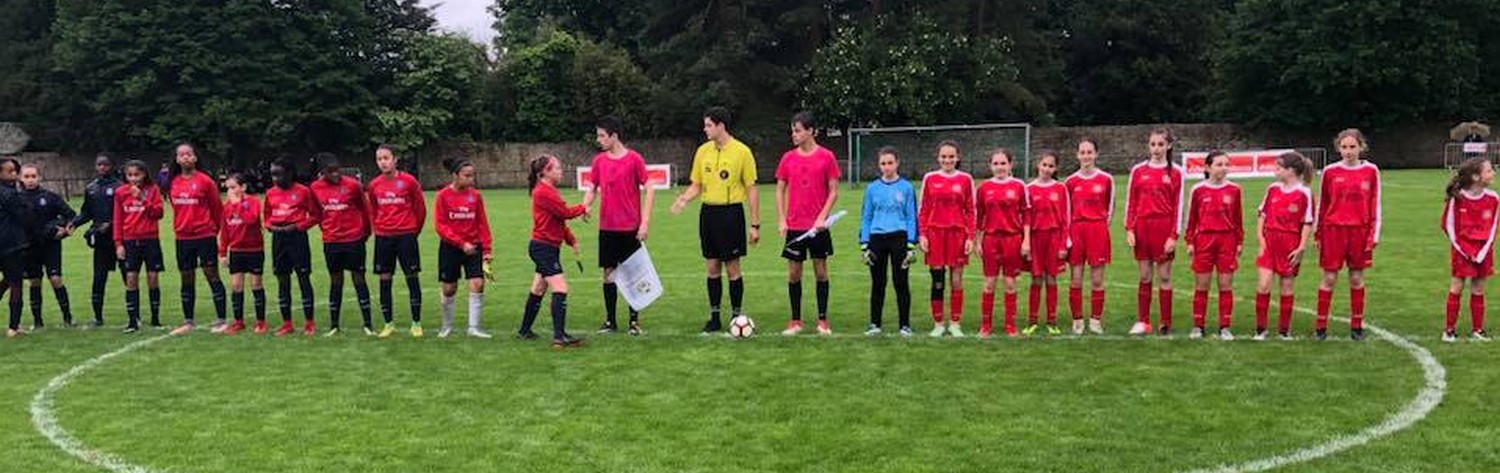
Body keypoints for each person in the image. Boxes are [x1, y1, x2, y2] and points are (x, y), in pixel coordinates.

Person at [670, 107, 761, 335]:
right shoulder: (703, 151)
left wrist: (755, 224)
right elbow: (697, 185)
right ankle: (714, 318)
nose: (705, 129)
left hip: (731, 214)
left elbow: (751, 188)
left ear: (721, 126)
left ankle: (736, 316)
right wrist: (684, 199)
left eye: (709, 125)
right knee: (712, 268)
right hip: (708, 214)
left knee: (732, 268)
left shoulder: (742, 152)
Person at [582, 116, 655, 336]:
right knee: (609, 274)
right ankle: (610, 321)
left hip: (630, 228)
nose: (598, 139)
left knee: (633, 274)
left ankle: (634, 322)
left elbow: (650, 187)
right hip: (607, 227)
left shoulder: (634, 159)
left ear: (614, 136)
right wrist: (586, 205)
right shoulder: (599, 161)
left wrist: (644, 223)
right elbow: (592, 188)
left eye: (602, 135)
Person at [775, 112, 841, 336]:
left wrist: (822, 217)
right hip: (795, 226)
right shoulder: (787, 158)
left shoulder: (827, 157)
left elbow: (834, 191)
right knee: (794, 273)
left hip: (818, 228)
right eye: (792, 131)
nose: (794, 134)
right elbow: (780, 189)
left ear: (811, 131)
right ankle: (795, 321)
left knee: (821, 272)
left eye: (798, 130)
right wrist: (782, 218)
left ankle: (822, 320)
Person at [1316, 129, 1382, 341]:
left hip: (1359, 231)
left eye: (1353, 147)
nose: (1348, 151)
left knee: (1356, 278)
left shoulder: (1371, 171)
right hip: (1333, 230)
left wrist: (1374, 234)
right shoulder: (1330, 171)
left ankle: (1357, 326)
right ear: (1338, 148)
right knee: (1329, 278)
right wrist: (1318, 233)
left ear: (1361, 147)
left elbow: (1375, 203)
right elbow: (1322, 204)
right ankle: (1320, 326)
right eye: (1344, 147)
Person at [518, 154, 587, 347]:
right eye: (557, 168)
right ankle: (559, 337)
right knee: (561, 288)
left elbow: (558, 220)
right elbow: (565, 213)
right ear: (545, 172)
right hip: (544, 248)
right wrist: (584, 207)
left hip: (546, 247)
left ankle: (524, 331)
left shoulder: (548, 191)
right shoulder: (544, 192)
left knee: (539, 288)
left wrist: (571, 240)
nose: (560, 171)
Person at [1124, 128, 1184, 336]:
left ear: (1169, 146)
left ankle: (1165, 322)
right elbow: (1131, 202)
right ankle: (1143, 321)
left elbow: (1178, 206)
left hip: (1164, 227)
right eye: (1153, 144)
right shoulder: (1138, 170)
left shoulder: (1176, 172)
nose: (1156, 149)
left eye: (1161, 144)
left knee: (1164, 276)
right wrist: (1129, 229)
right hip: (1142, 228)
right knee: (1145, 275)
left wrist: (1173, 235)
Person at [310, 153, 375, 336]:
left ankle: (368, 324)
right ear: (322, 172)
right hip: (332, 242)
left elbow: (365, 209)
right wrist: (327, 230)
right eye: (330, 171)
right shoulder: (315, 188)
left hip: (354, 239)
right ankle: (334, 325)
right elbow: (317, 213)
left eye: (337, 170)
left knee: (359, 278)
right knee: (335, 280)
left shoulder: (353, 185)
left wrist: (365, 232)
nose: (336, 174)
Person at [1252, 152, 1315, 341]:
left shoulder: (1305, 193)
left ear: (1290, 171)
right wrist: (1260, 238)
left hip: (1290, 244)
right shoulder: (1272, 188)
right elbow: (1262, 214)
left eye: (1278, 167)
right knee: (1263, 285)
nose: (1275, 170)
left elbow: (1307, 222)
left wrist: (1301, 247)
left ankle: (1284, 331)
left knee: (1286, 287)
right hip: (1269, 242)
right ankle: (1260, 330)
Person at [166, 143, 227, 336]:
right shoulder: (173, 182)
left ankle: (222, 319)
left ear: (195, 157)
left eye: (189, 154)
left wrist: (212, 230)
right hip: (182, 237)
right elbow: (176, 208)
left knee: (212, 275)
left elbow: (217, 210)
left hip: (204, 235)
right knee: (186, 278)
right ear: (177, 159)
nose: (185, 157)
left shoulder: (205, 181)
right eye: (181, 155)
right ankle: (188, 321)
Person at [859, 147, 918, 337]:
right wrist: (864, 242)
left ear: (897, 163)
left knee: (901, 282)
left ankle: (905, 325)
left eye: (890, 163)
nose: (887, 167)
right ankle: (875, 323)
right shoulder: (872, 188)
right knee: (878, 283)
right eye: (883, 163)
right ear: (879, 165)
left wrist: (911, 243)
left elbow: (911, 216)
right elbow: (867, 216)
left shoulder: (907, 187)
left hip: (899, 238)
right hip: (877, 239)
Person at [368, 144, 426, 338]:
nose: (382, 162)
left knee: (411, 276)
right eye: (379, 159)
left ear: (395, 159)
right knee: (385, 278)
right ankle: (388, 324)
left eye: (386, 158)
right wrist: (378, 229)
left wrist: (412, 231)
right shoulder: (374, 185)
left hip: (406, 236)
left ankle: (416, 323)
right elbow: (373, 210)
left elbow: (420, 209)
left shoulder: (409, 181)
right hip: (384, 237)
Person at [1184, 151, 1243, 340]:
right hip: (1204, 241)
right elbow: (1191, 219)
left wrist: (1239, 242)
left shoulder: (1234, 190)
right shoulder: (1198, 190)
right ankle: (1198, 326)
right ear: (1208, 167)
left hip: (1227, 241)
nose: (1224, 168)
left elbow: (1238, 219)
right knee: (1202, 285)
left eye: (1226, 164)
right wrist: (1189, 241)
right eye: (1219, 164)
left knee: (1225, 285)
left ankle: (1225, 327)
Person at [919, 140, 975, 338]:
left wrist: (970, 237)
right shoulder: (930, 178)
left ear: (957, 158)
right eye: (944, 156)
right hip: (935, 234)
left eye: (951, 156)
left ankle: (955, 323)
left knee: (956, 280)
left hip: (957, 235)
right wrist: (922, 234)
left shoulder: (966, 179)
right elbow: (923, 209)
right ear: (938, 157)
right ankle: (938, 324)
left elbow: (971, 210)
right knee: (937, 281)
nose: (947, 160)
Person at [434, 158, 494, 339]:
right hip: (450, 248)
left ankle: (474, 328)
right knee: (449, 288)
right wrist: (461, 243)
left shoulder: (476, 196)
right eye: (466, 176)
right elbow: (440, 225)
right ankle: (446, 326)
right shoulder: (443, 196)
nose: (470, 179)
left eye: (472, 175)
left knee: (478, 283)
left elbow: (482, 223)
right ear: (455, 175)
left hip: (474, 247)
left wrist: (487, 249)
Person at [1440, 157, 1496, 342]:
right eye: (1489, 170)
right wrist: (1465, 251)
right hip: (1462, 250)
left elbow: (1493, 229)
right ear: (1475, 176)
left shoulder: (1494, 199)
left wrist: (1481, 253)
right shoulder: (1458, 199)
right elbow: (1448, 226)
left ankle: (1478, 330)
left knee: (1478, 288)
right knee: (1457, 286)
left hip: (1483, 251)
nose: (1493, 173)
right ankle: (1449, 330)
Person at [974, 149, 1028, 339]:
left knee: (1010, 284)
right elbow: (979, 216)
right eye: (996, 163)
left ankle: (1010, 326)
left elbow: (1026, 214)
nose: (999, 167)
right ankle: (985, 326)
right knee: (989, 284)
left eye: (1003, 163)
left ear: (1010, 165)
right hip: (990, 240)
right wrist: (977, 241)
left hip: (1012, 239)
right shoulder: (983, 187)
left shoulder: (1019, 186)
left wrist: (1026, 240)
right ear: (990, 166)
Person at [264, 158, 321, 336]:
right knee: (282, 280)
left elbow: (316, 215)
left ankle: (309, 322)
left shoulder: (303, 191)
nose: (275, 178)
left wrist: (298, 226)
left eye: (278, 174)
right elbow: (266, 216)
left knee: (303, 278)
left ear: (289, 173)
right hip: (279, 239)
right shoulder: (270, 193)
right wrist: (270, 226)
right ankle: (287, 323)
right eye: (273, 175)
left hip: (297, 238)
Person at [68, 153, 124, 329]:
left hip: (120, 238)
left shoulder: (120, 187)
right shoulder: (91, 188)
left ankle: (134, 315)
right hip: (100, 239)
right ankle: (97, 317)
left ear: (112, 166)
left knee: (128, 275)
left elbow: (127, 212)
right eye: (99, 164)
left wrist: (112, 224)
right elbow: (87, 213)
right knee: (99, 277)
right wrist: (74, 223)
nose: (102, 167)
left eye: (106, 164)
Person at [18, 164, 77, 329]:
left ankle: (68, 318)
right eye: (26, 176)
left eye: (33, 176)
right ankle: (37, 322)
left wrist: (62, 230)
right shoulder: (17, 199)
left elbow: (70, 216)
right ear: (21, 178)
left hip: (50, 245)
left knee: (55, 279)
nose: (30, 180)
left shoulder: (50, 197)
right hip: (29, 246)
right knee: (34, 282)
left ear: (39, 177)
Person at [1064, 138, 1112, 335]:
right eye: (1082, 152)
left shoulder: (1106, 179)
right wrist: (1067, 236)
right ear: (1077, 155)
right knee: (1076, 278)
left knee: (1097, 279)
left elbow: (1110, 208)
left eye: (1089, 152)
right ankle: (1077, 320)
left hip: (1097, 230)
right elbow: (1066, 211)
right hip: (1076, 231)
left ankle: (1095, 320)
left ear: (1096, 154)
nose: (1086, 156)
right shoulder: (1070, 182)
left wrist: (1100, 227)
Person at [113, 160, 164, 334]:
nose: (133, 178)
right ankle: (132, 320)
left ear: (144, 174)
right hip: (130, 241)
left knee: (153, 277)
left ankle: (155, 318)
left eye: (137, 174)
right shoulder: (120, 192)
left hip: (150, 239)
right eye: (130, 175)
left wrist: (143, 199)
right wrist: (118, 243)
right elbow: (118, 219)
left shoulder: (153, 190)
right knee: (131, 278)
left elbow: (158, 213)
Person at [1023, 151, 1070, 336]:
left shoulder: (1061, 188)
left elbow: (1065, 219)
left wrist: (1063, 244)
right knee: (1036, 279)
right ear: (1038, 165)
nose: (1047, 169)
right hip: (1035, 239)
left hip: (1054, 239)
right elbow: (1025, 218)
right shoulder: (1028, 189)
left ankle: (1052, 321)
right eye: (1044, 165)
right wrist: (1026, 243)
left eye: (1051, 166)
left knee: (1051, 278)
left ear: (1055, 168)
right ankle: (1032, 321)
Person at [218, 174, 266, 335]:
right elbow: (225, 230)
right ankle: (239, 322)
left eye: (233, 187)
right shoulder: (226, 206)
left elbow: (251, 220)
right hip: (236, 251)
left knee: (256, 285)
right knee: (236, 286)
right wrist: (222, 253)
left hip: (254, 250)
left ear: (243, 187)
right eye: (227, 188)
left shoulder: (253, 202)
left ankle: (261, 322)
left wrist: (238, 205)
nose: (230, 191)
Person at [0, 158, 35, 337]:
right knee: (16, 283)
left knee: (8, 280)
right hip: (11, 244)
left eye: (15, 170)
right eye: (10, 171)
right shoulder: (10, 194)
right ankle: (14, 327)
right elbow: (25, 216)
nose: (14, 174)